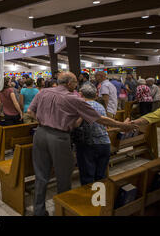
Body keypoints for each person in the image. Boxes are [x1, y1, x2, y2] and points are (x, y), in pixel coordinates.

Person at [27, 72, 137, 216]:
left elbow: (29, 111)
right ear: (69, 83)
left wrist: (42, 120)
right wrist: (122, 125)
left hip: (40, 134)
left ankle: (39, 211)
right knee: (63, 176)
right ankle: (62, 211)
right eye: (75, 83)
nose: (76, 85)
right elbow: (100, 119)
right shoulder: (72, 98)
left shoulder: (44, 92)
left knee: (41, 175)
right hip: (59, 137)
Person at [71, 83, 111, 186]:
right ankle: (100, 200)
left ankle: (89, 200)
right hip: (105, 143)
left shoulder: (82, 106)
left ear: (80, 94)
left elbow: (75, 124)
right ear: (95, 95)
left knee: (88, 178)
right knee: (101, 177)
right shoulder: (100, 106)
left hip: (89, 145)